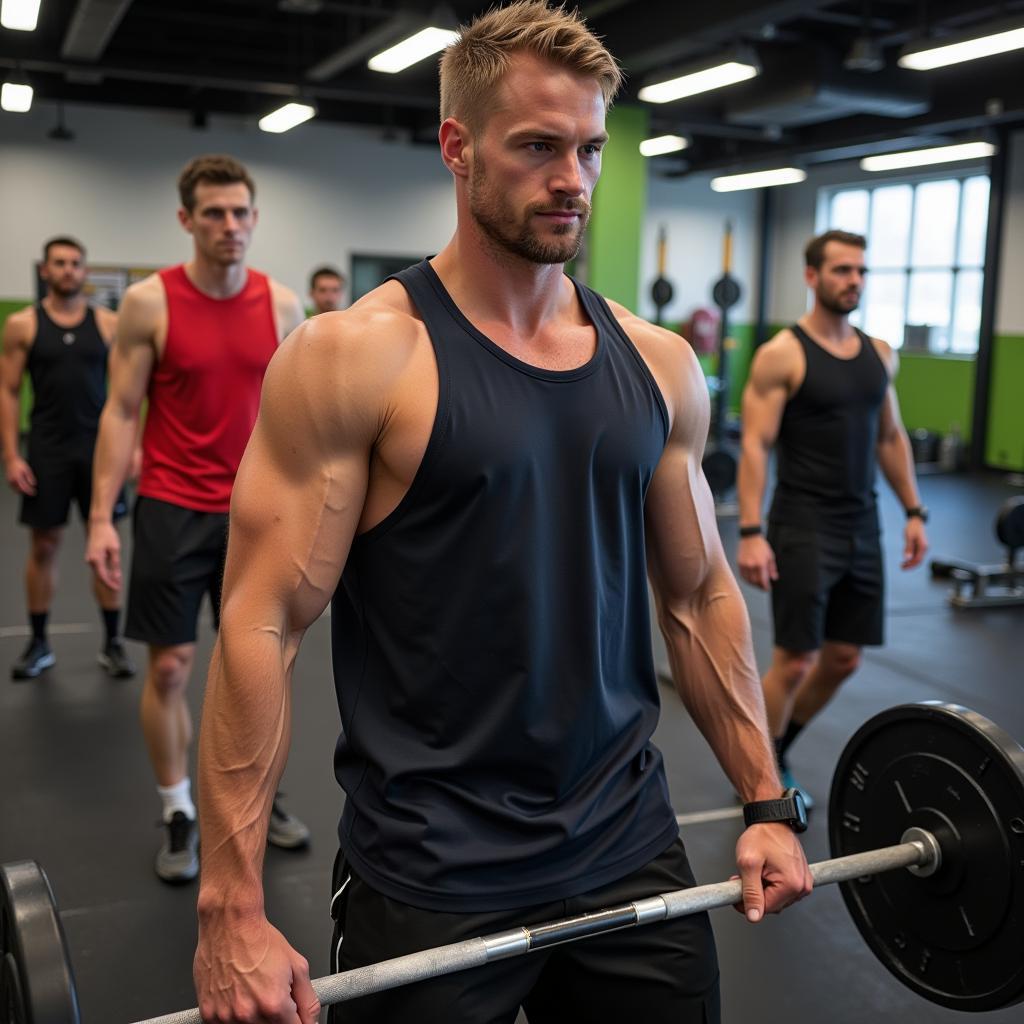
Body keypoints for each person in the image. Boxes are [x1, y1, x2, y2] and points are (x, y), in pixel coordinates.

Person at [192, 5, 812, 1023]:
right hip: (431, 867)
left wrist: (764, 801)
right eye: (535, 147)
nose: (571, 177)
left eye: (589, 147)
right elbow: (262, 621)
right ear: (458, 147)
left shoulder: (658, 365)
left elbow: (699, 594)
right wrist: (230, 909)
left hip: (627, 844)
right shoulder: (358, 357)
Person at [85, 155, 311, 884]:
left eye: (241, 212)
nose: (230, 226)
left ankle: (257, 796)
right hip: (172, 508)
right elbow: (121, 412)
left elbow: (306, 420)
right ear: (186, 219)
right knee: (174, 665)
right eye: (214, 213)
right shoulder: (151, 303)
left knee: (259, 672)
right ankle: (179, 805)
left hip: (258, 513)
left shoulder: (282, 306)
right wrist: (100, 518)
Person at [737, 228, 929, 805]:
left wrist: (914, 511)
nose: (855, 281)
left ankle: (779, 747)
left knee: (844, 658)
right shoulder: (783, 354)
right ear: (812, 276)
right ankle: (763, 780)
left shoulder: (880, 353)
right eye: (843, 270)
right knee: (795, 663)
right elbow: (754, 445)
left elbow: (890, 436)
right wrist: (750, 531)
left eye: (862, 271)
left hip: (862, 523)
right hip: (803, 523)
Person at [1, 236, 135, 681]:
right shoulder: (23, 325)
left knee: (106, 545)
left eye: (76, 263)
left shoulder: (110, 324)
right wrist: (10, 454)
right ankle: (39, 643)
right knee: (44, 545)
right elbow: (8, 390)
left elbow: (125, 395)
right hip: (47, 448)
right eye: (59, 263)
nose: (68, 270)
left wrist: (132, 448)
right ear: (45, 270)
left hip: (99, 449)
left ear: (84, 270)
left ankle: (113, 643)